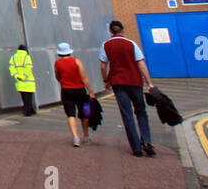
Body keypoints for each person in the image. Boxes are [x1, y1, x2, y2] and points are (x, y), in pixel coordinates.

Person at [99, 20, 156, 157]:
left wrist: (106, 80)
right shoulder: (132, 44)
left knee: (127, 114)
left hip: (118, 83)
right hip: (135, 82)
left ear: (111, 32)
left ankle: (136, 148)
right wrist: (149, 83)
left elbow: (103, 66)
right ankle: (147, 141)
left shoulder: (106, 45)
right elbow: (141, 64)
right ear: (123, 30)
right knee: (141, 111)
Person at [54, 42, 92, 147]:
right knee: (84, 113)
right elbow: (84, 77)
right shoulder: (77, 62)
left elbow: (57, 77)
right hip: (80, 90)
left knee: (70, 114)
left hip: (66, 90)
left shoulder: (57, 63)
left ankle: (76, 137)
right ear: (69, 51)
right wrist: (91, 91)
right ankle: (85, 135)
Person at [9, 43, 36, 115]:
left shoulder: (13, 57)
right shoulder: (27, 57)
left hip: (19, 81)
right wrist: (24, 76)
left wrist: (16, 76)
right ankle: (27, 111)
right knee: (29, 97)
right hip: (28, 81)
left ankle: (30, 109)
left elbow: (12, 68)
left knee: (24, 97)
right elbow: (28, 68)